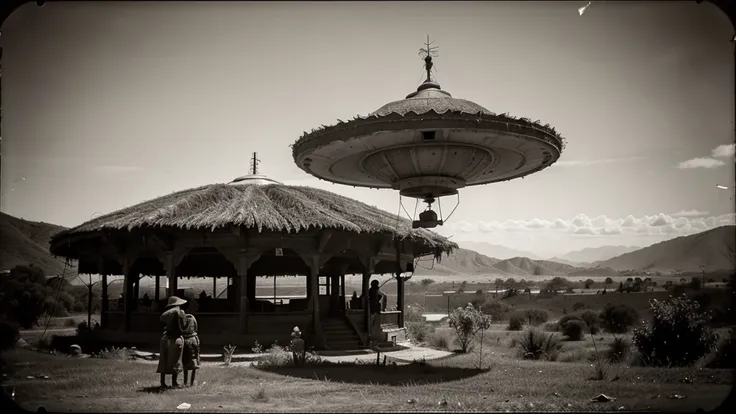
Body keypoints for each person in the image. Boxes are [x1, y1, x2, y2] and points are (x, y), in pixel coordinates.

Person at [156, 296, 188, 388]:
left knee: (164, 360)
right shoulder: (179, 312)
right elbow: (181, 327)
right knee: (176, 360)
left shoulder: (166, 314)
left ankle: (162, 382)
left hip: (165, 338)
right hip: (176, 338)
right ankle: (174, 382)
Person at [181, 302, 200, 387]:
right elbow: (196, 328)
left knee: (185, 362)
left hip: (184, 340)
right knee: (194, 363)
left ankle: (185, 382)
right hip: (193, 339)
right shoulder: (192, 318)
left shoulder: (181, 317)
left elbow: (181, 328)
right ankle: (191, 383)